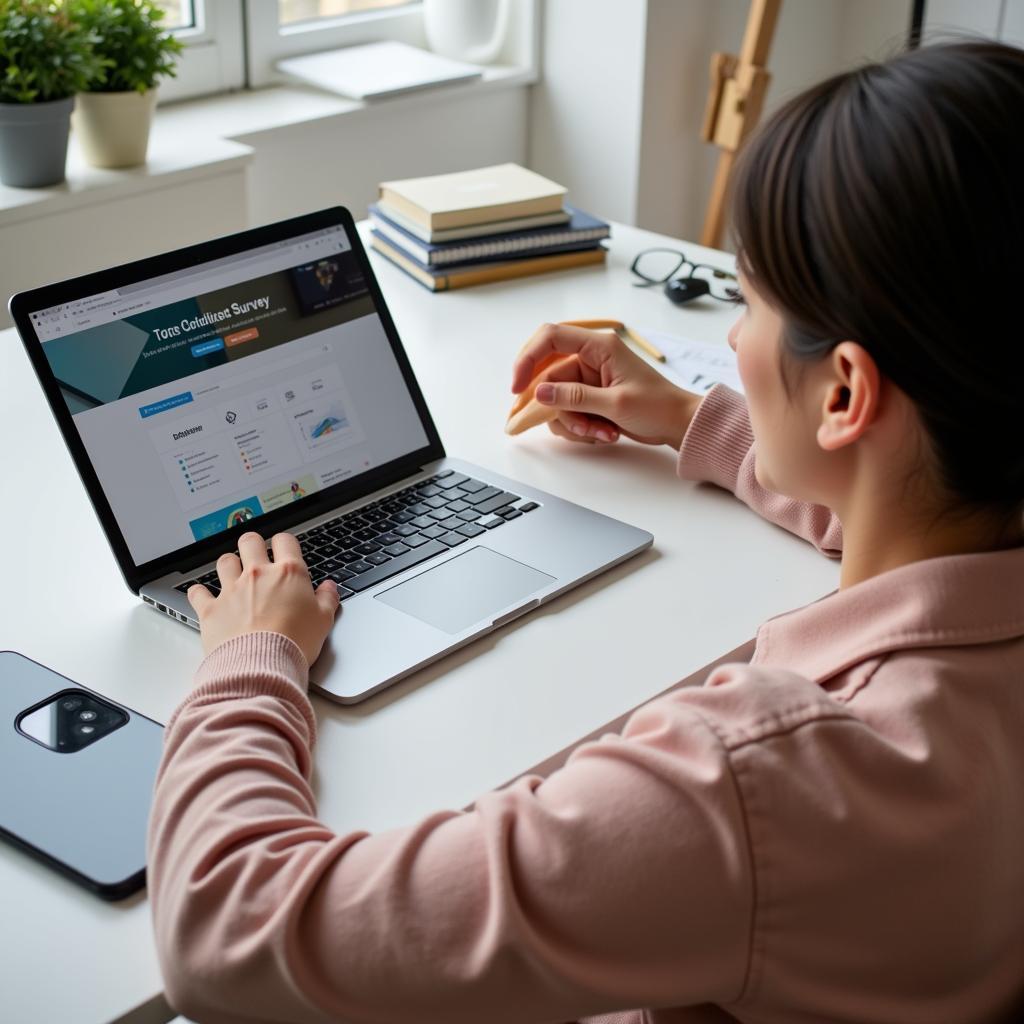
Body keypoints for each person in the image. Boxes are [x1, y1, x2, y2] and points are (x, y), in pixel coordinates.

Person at [148, 41, 1024, 1024]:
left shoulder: (750, 782)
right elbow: (919, 516)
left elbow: (227, 936)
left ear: (846, 392)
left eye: (752, 300)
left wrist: (248, 661)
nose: (733, 340)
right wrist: (700, 419)